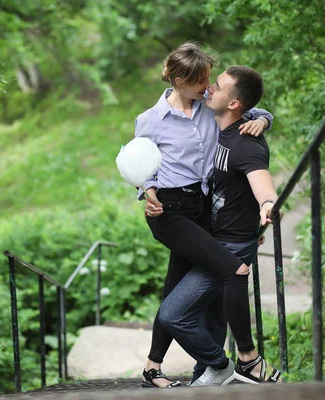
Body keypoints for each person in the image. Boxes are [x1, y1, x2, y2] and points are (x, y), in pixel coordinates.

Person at [134, 42, 275, 388]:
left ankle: (156, 367)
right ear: (178, 80)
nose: (207, 86)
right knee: (230, 268)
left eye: (209, 79)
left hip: (201, 210)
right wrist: (147, 192)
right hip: (169, 211)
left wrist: (265, 120)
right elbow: (140, 164)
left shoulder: (208, 109)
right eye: (200, 80)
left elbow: (248, 110)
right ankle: (239, 362)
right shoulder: (150, 121)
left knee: (177, 289)